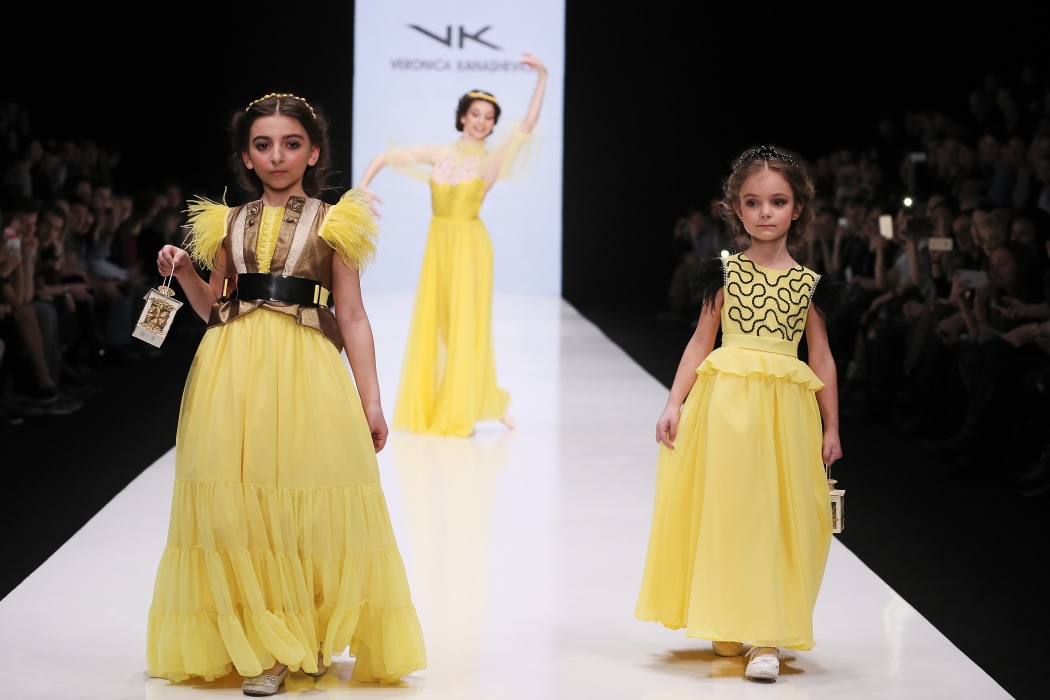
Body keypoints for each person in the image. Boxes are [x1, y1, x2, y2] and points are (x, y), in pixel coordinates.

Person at [146, 92, 426, 696]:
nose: (277, 156)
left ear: (313, 152)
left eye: (291, 143)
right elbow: (215, 308)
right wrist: (187, 270)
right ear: (246, 157)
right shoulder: (225, 223)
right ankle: (268, 644)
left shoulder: (336, 222)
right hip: (232, 369)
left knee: (301, 495)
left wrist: (371, 400)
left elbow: (352, 315)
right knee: (240, 505)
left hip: (305, 370)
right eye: (263, 145)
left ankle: (305, 632)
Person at [635, 145, 843, 683]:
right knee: (729, 512)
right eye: (753, 202)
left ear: (798, 208)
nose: (765, 212)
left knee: (775, 517)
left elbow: (821, 357)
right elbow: (700, 342)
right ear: (736, 209)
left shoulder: (809, 284)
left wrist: (832, 426)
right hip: (724, 410)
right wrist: (673, 402)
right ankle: (727, 614)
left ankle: (767, 634)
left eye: (778, 201)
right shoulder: (723, 273)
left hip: (785, 417)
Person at [356, 53, 548, 437]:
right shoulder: (439, 153)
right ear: (463, 117)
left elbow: (527, 124)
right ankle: (456, 401)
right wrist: (363, 186)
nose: (481, 121)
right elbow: (385, 156)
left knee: (467, 325)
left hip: (470, 246)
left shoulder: (493, 160)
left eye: (489, 117)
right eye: (475, 113)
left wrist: (542, 75)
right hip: (439, 244)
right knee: (439, 322)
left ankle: (476, 403)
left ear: (493, 124)